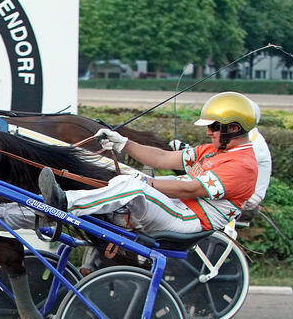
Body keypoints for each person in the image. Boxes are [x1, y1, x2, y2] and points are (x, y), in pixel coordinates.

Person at [35, 91, 260, 234]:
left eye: (213, 127)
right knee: (109, 184)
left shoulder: (242, 165)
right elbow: (162, 157)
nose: (209, 132)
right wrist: (124, 143)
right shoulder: (213, 150)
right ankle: (9, 213)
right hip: (175, 207)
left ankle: (64, 203)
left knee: (131, 185)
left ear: (233, 128)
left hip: (189, 219)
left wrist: (145, 181)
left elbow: (190, 188)